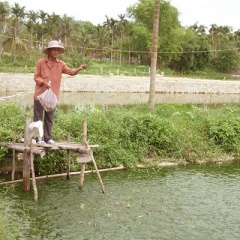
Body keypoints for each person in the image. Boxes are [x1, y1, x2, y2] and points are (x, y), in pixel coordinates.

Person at [33, 40, 87, 145]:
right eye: (54, 49)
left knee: (49, 118)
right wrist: (43, 83)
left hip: (52, 96)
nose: (56, 51)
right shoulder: (40, 62)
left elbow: (71, 72)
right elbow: (36, 77)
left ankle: (48, 138)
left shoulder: (61, 64)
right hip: (39, 95)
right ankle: (38, 139)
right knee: (38, 118)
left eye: (57, 50)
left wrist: (79, 68)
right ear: (49, 51)